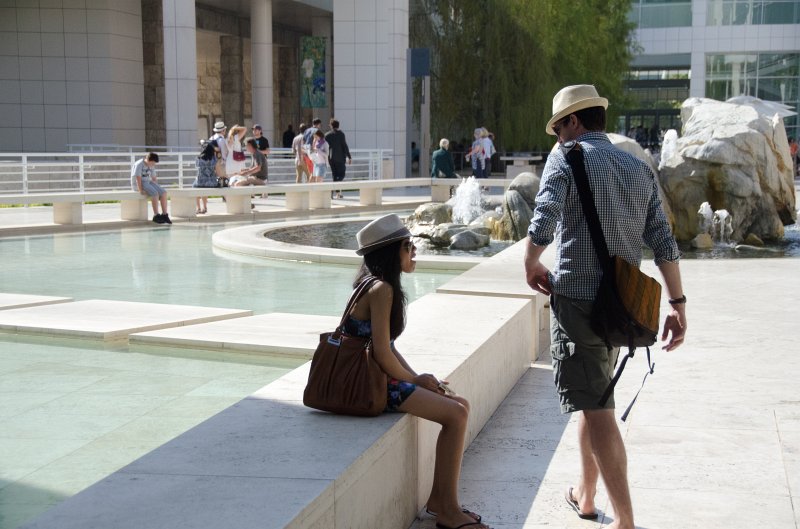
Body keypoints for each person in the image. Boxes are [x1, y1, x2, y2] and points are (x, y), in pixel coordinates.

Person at [525, 85, 686, 529]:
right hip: (619, 305)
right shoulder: (637, 167)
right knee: (593, 396)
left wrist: (530, 262)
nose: (557, 135)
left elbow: (544, 219)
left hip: (577, 300)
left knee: (597, 408)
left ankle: (626, 521)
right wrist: (677, 303)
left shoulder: (567, 155)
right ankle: (587, 496)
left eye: (559, 126)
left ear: (574, 122)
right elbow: (664, 242)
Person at [349, 214, 489, 529]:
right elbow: (382, 353)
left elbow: (388, 347)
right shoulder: (381, 289)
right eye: (409, 247)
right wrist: (415, 381)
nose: (414, 253)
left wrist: (420, 379)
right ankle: (448, 511)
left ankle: (441, 502)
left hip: (375, 377)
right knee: (455, 414)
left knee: (461, 405)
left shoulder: (373, 284)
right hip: (367, 385)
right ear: (391, 252)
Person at [131, 152, 171, 224]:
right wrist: (140, 190)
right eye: (153, 163)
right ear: (148, 160)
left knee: (164, 192)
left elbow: (154, 178)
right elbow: (138, 178)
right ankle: (156, 215)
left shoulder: (151, 165)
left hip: (147, 182)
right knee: (155, 194)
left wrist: (157, 187)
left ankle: (164, 215)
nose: (153, 165)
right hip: (139, 183)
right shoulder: (139, 164)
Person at [325, 118, 352, 199]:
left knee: (335, 175)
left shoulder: (327, 135)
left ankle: (337, 193)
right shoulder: (341, 134)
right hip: (340, 158)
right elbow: (344, 146)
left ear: (331, 126)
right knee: (341, 174)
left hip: (331, 158)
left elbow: (324, 146)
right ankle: (333, 189)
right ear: (338, 125)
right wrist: (349, 157)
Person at [192, 141, 219, 214]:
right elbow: (217, 171)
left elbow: (198, 169)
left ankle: (198, 208)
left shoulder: (198, 158)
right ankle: (205, 207)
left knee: (195, 187)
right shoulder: (214, 159)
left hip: (200, 182)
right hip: (212, 182)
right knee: (205, 187)